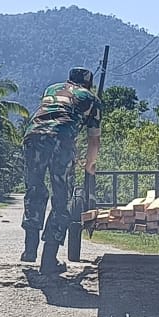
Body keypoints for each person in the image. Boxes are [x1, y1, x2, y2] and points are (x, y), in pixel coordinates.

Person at [20, 67, 102, 274]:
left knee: (34, 190)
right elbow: (94, 140)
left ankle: (29, 249)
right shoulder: (91, 99)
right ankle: (49, 259)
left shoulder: (52, 89)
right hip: (62, 140)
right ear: (89, 83)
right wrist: (89, 165)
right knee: (61, 198)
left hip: (33, 136)